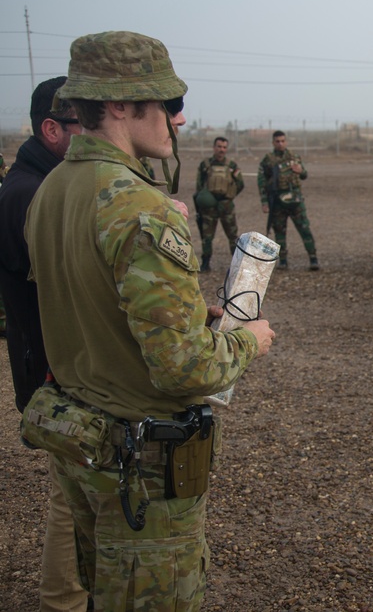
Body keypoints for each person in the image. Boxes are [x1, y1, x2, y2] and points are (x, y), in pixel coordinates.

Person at [22, 30, 275, 611]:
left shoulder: (53, 188)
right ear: (117, 106)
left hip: (81, 440)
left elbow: (89, 301)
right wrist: (247, 339)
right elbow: (184, 368)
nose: (176, 120)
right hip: (138, 463)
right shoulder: (140, 207)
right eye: (164, 104)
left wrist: (185, 309)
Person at [0, 76, 87, 611]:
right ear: (51, 129)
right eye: (85, 125)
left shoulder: (35, 183)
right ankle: (63, 601)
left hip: (51, 368)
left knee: (73, 494)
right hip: (54, 375)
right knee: (71, 498)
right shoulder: (31, 193)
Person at [259, 130, 319, 270]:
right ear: (273, 142)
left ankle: (313, 258)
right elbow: (261, 182)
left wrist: (300, 171)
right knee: (279, 232)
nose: (280, 144)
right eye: (277, 141)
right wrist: (264, 202)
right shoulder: (268, 160)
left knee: (304, 229)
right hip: (278, 201)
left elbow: (304, 175)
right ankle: (283, 260)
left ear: (286, 141)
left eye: (283, 141)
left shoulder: (294, 156)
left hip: (295, 200)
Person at [195, 136, 244, 271]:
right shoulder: (205, 165)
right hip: (209, 208)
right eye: (219, 146)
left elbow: (240, 183)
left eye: (224, 147)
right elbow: (199, 186)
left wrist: (229, 197)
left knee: (233, 236)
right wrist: (205, 200)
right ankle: (205, 263)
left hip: (226, 207)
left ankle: (237, 264)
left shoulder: (232, 165)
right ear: (214, 147)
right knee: (207, 237)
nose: (221, 150)